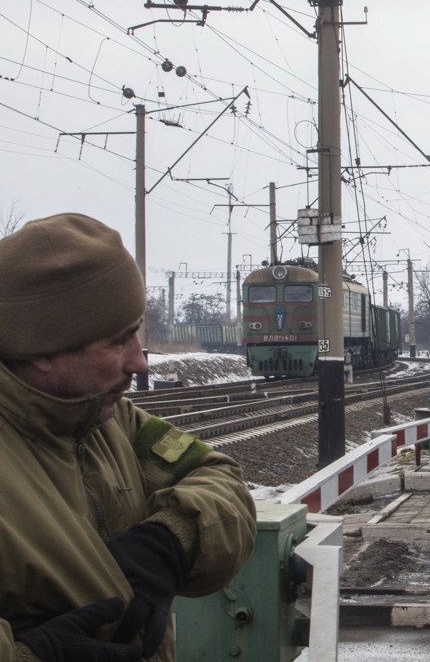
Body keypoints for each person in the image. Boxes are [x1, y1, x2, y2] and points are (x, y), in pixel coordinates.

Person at [0, 213, 257, 662]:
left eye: (136, 332)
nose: (140, 363)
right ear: (42, 351)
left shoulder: (111, 421)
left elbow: (220, 478)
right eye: (118, 341)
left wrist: (172, 536)